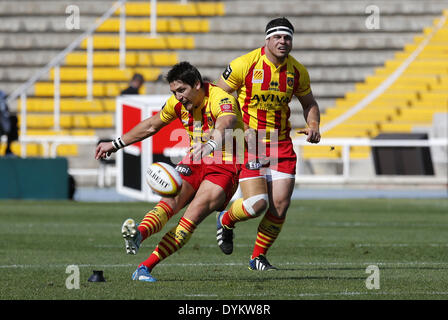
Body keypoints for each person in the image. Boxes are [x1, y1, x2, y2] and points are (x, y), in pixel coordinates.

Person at [95, 62, 244, 282]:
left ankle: (144, 267)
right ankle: (139, 234)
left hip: (225, 164)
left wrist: (210, 145)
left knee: (191, 214)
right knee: (171, 199)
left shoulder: (220, 98)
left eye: (181, 90)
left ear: (196, 85)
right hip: (195, 159)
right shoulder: (177, 103)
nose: (178, 97)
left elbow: (227, 122)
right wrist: (115, 144)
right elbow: (151, 125)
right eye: (174, 92)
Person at [215, 17, 321, 270]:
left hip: (281, 143)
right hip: (250, 142)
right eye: (278, 37)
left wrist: (314, 125)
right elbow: (218, 96)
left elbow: (309, 103)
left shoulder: (297, 71)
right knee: (257, 205)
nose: (283, 42)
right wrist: (234, 127)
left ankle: (257, 257)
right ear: (267, 39)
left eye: (287, 38)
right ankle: (226, 219)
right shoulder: (245, 64)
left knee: (281, 205)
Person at [0, 90, 18, 157]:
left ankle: (8, 149)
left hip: (3, 122)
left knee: (13, 120)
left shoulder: (1, 94)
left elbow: (4, 110)